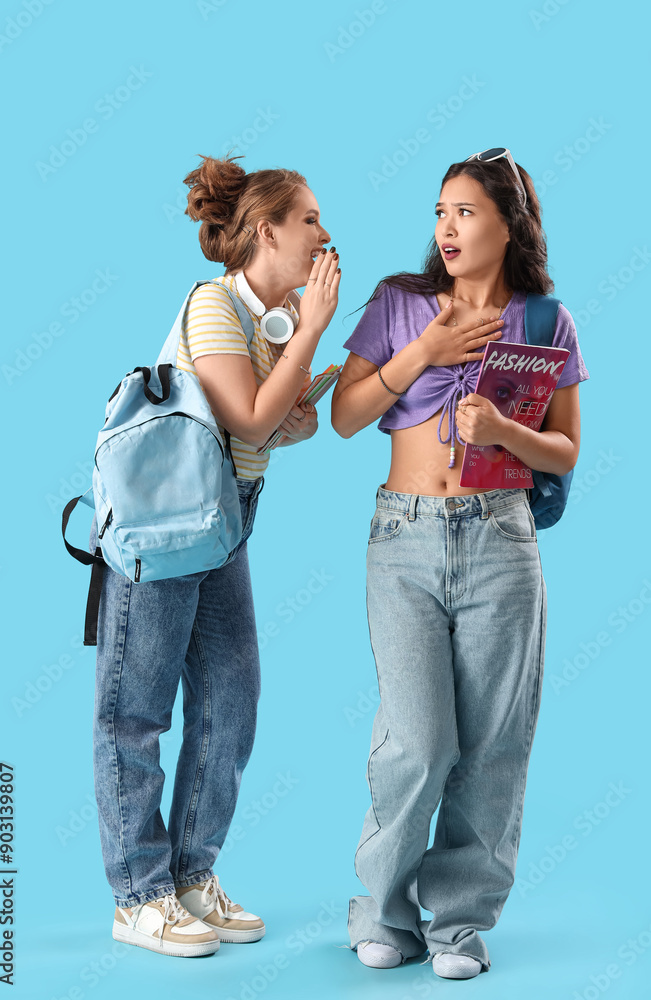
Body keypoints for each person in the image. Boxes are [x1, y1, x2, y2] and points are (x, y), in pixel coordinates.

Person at [331, 148, 588, 980]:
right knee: (416, 739)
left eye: (466, 211)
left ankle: (458, 927)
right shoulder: (400, 305)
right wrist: (429, 352)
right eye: (440, 210)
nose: (446, 227)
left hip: (500, 539)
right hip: (403, 536)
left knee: (491, 743)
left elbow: (566, 448)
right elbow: (344, 414)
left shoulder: (545, 321)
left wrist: (505, 434)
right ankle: (381, 912)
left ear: (507, 224)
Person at [91, 154, 340, 958]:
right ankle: (139, 893)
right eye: (308, 220)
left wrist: (292, 400)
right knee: (135, 710)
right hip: (165, 528)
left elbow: (261, 426)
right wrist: (308, 337)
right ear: (265, 230)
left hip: (221, 524)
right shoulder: (212, 306)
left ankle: (192, 875)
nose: (323, 234)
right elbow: (244, 414)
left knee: (231, 699)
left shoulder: (267, 322)